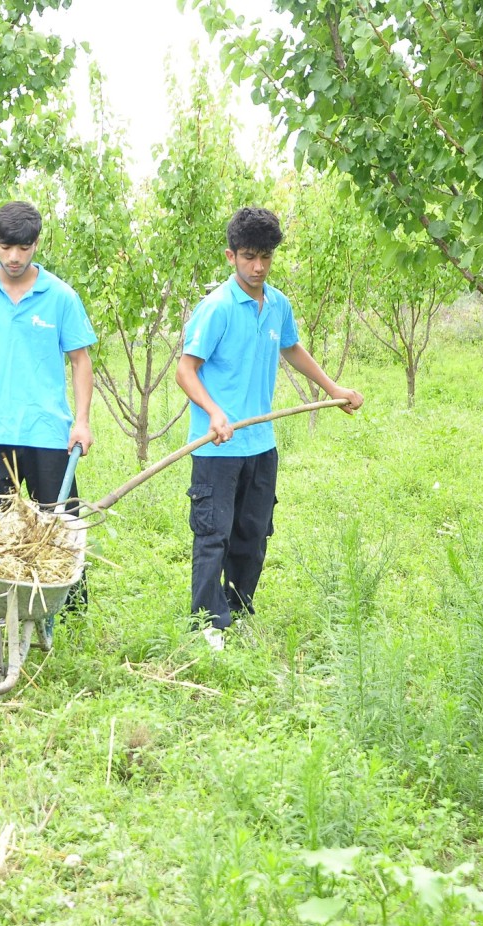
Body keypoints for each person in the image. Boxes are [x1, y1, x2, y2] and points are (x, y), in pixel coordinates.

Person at [175, 207, 363, 650]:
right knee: (213, 534)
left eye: (265, 257)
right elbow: (186, 371)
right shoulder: (217, 308)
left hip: (260, 445)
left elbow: (292, 347)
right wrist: (214, 412)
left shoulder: (277, 305)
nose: (257, 267)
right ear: (231, 256)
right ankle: (207, 623)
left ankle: (238, 613)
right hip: (217, 445)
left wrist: (334, 388)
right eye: (248, 257)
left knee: (252, 533)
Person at [0, 201, 97, 635]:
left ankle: (69, 610)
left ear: (36, 245)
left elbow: (80, 361)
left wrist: (81, 420)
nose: (14, 258)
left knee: (61, 527)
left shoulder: (61, 297)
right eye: (6, 247)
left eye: (24, 248)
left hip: (48, 432)